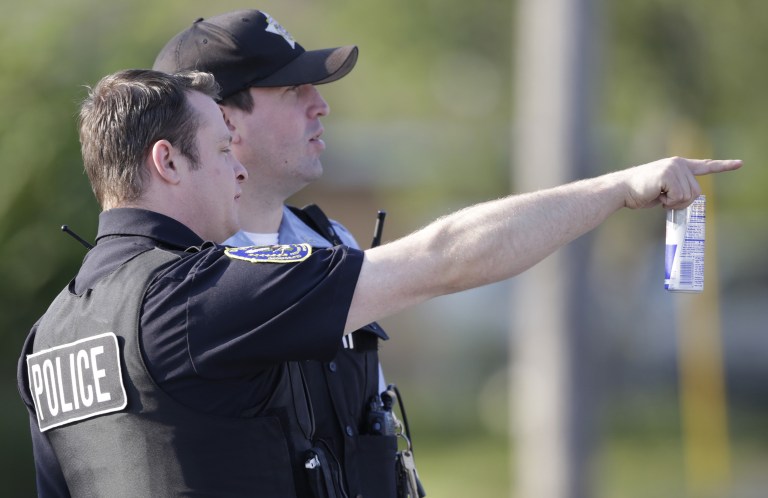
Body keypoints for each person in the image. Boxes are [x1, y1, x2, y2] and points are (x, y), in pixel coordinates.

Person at [17, 68, 741, 498]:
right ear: (167, 162)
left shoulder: (48, 338)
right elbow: (445, 257)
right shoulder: (200, 296)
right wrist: (617, 187)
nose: (239, 168)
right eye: (220, 151)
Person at [152, 10, 400, 497]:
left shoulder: (333, 243)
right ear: (222, 120)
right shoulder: (172, 280)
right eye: (293, 90)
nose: (321, 105)